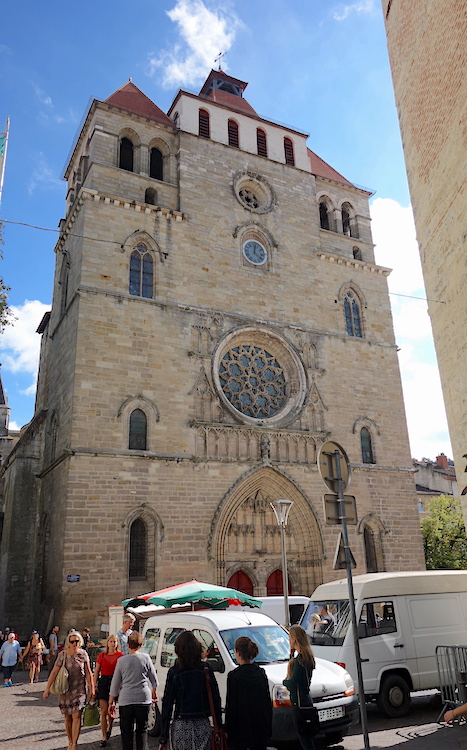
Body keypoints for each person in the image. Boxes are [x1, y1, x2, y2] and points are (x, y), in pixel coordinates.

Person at [158, 630, 222, 750]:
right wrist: (219, 725)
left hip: (181, 724)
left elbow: (167, 704)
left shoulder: (174, 671)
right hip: (202, 722)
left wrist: (163, 737)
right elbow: (215, 698)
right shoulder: (206, 669)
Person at [43, 629, 95, 750]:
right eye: (72, 641)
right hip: (65, 690)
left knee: (77, 715)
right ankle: (70, 741)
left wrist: (92, 688)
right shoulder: (62, 655)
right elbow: (54, 672)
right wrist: (47, 689)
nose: (75, 643)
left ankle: (74, 744)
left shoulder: (83, 654)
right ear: (68, 642)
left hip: (80, 690)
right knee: (67, 717)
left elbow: (88, 673)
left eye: (77, 641)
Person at [109, 631, 158, 750]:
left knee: (126, 732)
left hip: (126, 699)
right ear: (141, 645)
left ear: (128, 645)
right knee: (142, 730)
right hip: (143, 698)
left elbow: (115, 683)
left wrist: (111, 701)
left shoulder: (121, 661)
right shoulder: (145, 658)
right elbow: (154, 679)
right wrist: (153, 692)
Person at [225, 636, 272, 750]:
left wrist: (228, 730)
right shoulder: (260, 673)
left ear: (238, 653)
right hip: (260, 726)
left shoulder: (234, 676)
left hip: (241, 730)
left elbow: (232, 707)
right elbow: (266, 702)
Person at [283, 624, 316, 750]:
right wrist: (291, 655)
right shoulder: (307, 657)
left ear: (294, 639)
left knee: (303, 737)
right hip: (307, 699)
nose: (289, 641)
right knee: (308, 736)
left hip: (299, 702)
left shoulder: (299, 660)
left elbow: (292, 682)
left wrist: (284, 682)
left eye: (290, 637)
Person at [93, 634, 123, 747]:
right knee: (104, 711)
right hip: (104, 683)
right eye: (111, 641)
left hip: (115, 683)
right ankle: (104, 737)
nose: (113, 643)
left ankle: (109, 727)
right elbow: (96, 671)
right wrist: (93, 685)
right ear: (107, 643)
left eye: (115, 641)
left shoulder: (120, 656)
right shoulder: (102, 655)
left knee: (111, 711)